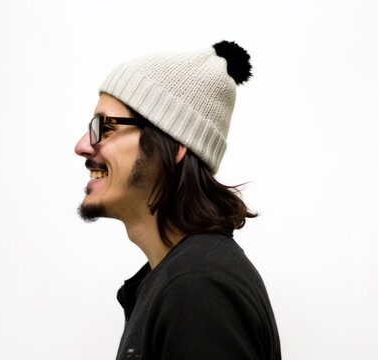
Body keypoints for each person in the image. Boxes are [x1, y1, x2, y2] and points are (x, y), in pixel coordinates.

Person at [73, 40, 281, 360]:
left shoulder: (197, 287)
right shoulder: (180, 279)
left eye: (105, 126)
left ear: (176, 145)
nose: (83, 145)